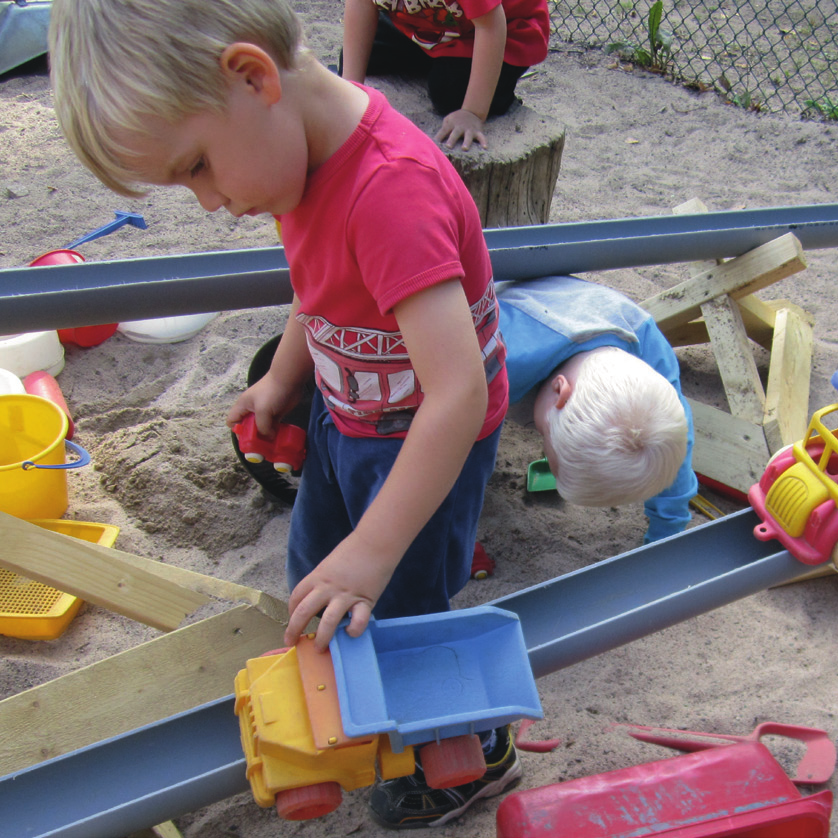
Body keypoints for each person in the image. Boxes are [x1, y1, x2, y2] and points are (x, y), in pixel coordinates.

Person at [48, 0, 518, 828]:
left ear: (252, 77)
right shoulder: (295, 157)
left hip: (423, 445)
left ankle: (474, 757)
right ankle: (349, 703)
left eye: (196, 166)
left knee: (403, 608)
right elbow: (322, 286)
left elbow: (458, 394)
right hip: (353, 415)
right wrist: (285, 378)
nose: (207, 200)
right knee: (318, 568)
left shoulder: (388, 192)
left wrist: (375, 552)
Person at [498, 274, 696, 544]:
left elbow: (678, 444)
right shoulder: (499, 360)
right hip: (506, 298)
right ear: (559, 391)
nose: (540, 438)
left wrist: (667, 530)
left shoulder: (651, 350)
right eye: (544, 436)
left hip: (587, 313)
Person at [340, 0, 550, 151]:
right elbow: (361, 4)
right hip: (427, 24)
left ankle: (496, 89)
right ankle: (439, 59)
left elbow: (491, 27)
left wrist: (473, 112)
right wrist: (351, 89)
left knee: (450, 94)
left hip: (502, 30)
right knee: (361, 54)